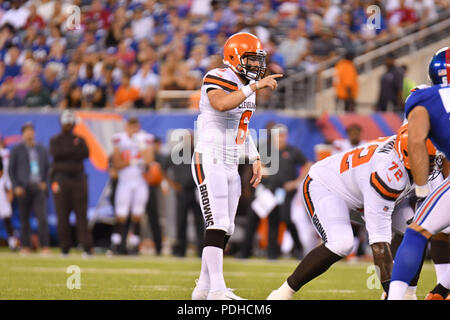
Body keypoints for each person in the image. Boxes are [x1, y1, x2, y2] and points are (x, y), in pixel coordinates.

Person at [267, 124, 440, 300]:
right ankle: (281, 294)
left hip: (362, 188)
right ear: (410, 156)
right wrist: (392, 293)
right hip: (328, 186)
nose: (434, 166)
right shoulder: (387, 176)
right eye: (429, 160)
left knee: (417, 231)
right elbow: (379, 245)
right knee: (341, 243)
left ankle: (409, 294)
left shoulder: (409, 147)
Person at [190, 32, 283, 300]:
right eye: (251, 59)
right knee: (216, 222)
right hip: (209, 157)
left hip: (231, 160)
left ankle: (203, 289)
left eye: (258, 60)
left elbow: (240, 127)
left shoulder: (245, 85)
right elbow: (220, 104)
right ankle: (217, 289)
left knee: (226, 226)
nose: (256, 65)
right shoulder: (218, 76)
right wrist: (253, 87)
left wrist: (254, 157)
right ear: (234, 57)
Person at [388, 47, 450, 300]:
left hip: (433, 168)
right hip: (439, 166)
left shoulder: (423, 97)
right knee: (440, 231)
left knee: (417, 231)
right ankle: (442, 289)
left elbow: (414, 140)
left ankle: (396, 296)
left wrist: (422, 186)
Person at [262, 123, 313, 259]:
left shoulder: (292, 151)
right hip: (271, 190)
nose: (280, 138)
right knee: (273, 220)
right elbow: (257, 164)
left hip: (286, 190)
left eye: (282, 135)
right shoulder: (267, 150)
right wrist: (262, 172)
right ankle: (272, 252)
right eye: (278, 135)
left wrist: (296, 182)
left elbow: (308, 164)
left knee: (285, 218)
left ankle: (298, 247)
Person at [49, 110, 92, 256]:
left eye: (69, 122)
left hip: (78, 180)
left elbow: (85, 153)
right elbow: (56, 154)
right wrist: (72, 153)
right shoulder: (55, 140)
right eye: (65, 122)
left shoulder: (80, 139)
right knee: (62, 215)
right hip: (61, 180)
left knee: (82, 215)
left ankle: (85, 246)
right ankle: (64, 248)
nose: (68, 125)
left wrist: (66, 155)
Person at [110, 117, 154, 255]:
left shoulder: (145, 138)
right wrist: (132, 162)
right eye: (130, 127)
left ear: (138, 126)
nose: (133, 130)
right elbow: (116, 163)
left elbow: (149, 161)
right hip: (125, 180)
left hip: (140, 181)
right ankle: (117, 244)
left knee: (137, 214)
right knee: (121, 214)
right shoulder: (119, 139)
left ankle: (134, 245)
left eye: (135, 127)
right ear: (126, 127)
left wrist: (141, 147)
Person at [8, 122, 50, 255]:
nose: (29, 133)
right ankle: (26, 245)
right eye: (26, 131)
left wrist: (45, 182)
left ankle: (45, 246)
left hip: (38, 187)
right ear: (22, 134)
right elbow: (11, 170)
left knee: (41, 217)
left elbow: (48, 169)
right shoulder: (16, 149)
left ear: (34, 133)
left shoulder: (41, 149)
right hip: (23, 188)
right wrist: (16, 186)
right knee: (24, 218)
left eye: (31, 131)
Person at [0, 137, 17, 251]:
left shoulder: (6, 154)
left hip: (2, 186)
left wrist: (9, 189)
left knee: (6, 216)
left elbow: (4, 173)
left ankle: (12, 242)